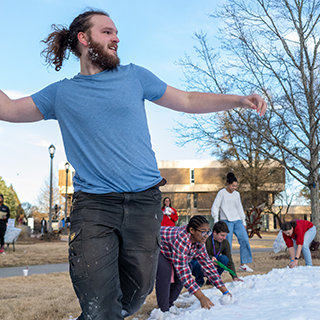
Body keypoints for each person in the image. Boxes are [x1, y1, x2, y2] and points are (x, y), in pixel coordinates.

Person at [0, 9, 267, 320]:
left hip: (144, 203)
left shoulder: (134, 77)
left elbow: (189, 100)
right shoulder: (62, 93)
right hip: (95, 207)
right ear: (84, 39)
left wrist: (238, 100)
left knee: (136, 295)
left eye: (116, 33)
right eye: (107, 32)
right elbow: (8, 108)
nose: (116, 38)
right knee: (99, 300)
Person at [155, 215, 231, 315]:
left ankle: (169, 304)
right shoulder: (181, 240)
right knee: (165, 271)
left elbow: (207, 265)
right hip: (155, 246)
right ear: (192, 230)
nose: (206, 235)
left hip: (169, 250)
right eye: (203, 232)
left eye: (208, 232)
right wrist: (201, 297)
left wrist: (225, 291)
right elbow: (183, 272)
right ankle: (163, 310)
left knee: (188, 268)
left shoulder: (200, 241)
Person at [211, 172, 253, 272]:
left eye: (236, 186)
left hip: (237, 220)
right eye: (233, 186)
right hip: (226, 221)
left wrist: (244, 222)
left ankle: (243, 264)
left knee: (245, 240)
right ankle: (227, 265)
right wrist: (216, 221)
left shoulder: (237, 194)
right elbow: (215, 207)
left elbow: (239, 208)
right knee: (227, 244)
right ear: (228, 184)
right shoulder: (221, 193)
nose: (234, 187)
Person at [190, 221, 242, 286]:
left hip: (211, 265)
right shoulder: (205, 238)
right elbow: (196, 254)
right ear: (214, 232)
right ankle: (199, 282)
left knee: (225, 259)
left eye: (225, 235)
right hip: (197, 265)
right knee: (199, 262)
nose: (224, 238)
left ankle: (212, 280)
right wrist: (210, 257)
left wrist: (234, 276)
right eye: (222, 235)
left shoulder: (225, 242)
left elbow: (229, 261)